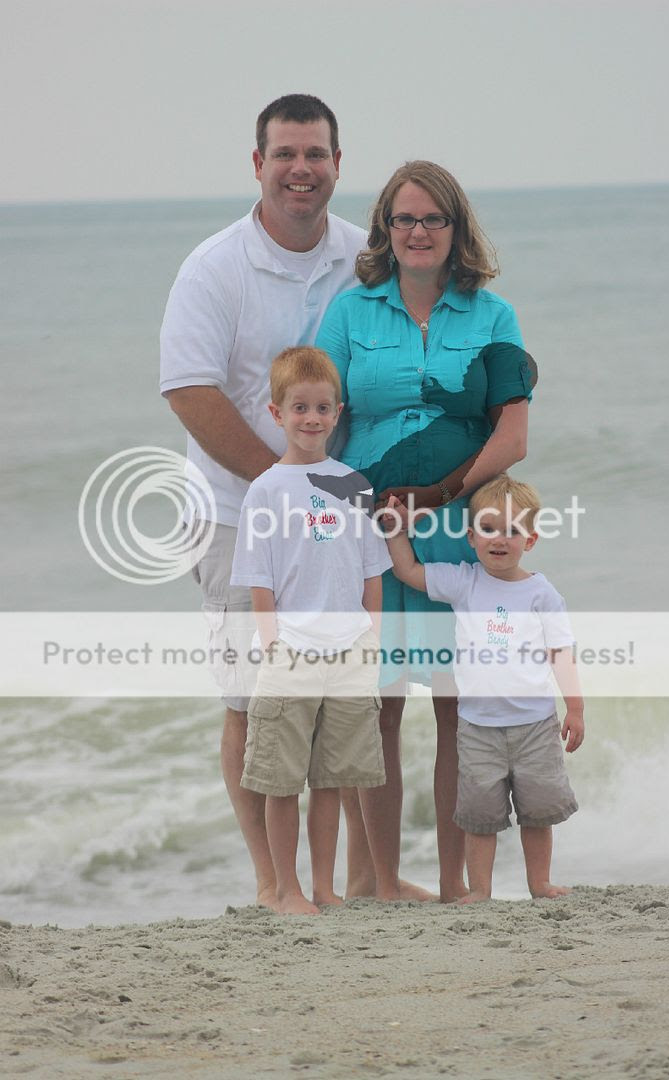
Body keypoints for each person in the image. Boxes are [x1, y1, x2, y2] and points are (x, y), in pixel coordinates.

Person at [159, 94, 366, 910]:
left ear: (337, 165)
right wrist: (285, 480)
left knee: (338, 699)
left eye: (314, 154)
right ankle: (273, 884)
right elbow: (188, 389)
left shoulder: (362, 255)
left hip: (334, 522)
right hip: (230, 513)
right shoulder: (213, 267)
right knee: (253, 701)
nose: (300, 169)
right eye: (284, 154)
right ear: (257, 164)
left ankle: (354, 879)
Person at [316, 160, 536, 902]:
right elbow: (321, 420)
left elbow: (511, 437)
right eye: (403, 218)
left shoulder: (493, 317)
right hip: (369, 532)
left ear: (455, 227)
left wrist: (439, 493)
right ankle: (382, 885)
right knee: (376, 708)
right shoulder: (349, 314)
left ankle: (453, 886)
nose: (417, 231)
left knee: (456, 709)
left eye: (432, 218)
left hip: (457, 531)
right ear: (385, 228)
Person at [230, 346, 391, 914]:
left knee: (332, 780)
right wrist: (272, 645)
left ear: (338, 412)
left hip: (349, 654)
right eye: (299, 408)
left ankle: (324, 887)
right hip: (290, 656)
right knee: (281, 781)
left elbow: (372, 573)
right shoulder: (266, 490)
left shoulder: (353, 485)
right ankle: (287, 889)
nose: (312, 418)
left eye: (323, 408)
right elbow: (259, 580)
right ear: (277, 413)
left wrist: (372, 640)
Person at [382, 474, 584, 903]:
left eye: (511, 530)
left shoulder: (541, 594)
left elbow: (561, 652)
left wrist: (576, 708)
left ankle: (539, 883)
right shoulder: (465, 581)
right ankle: (480, 890)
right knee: (480, 816)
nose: (499, 539)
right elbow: (408, 571)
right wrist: (396, 532)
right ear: (472, 538)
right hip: (476, 727)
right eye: (489, 529)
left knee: (537, 813)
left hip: (535, 725)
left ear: (530, 540)